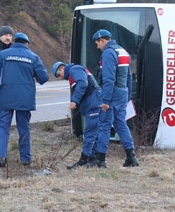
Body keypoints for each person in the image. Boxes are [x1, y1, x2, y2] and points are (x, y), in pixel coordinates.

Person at [0, 32, 49, 167]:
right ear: (26, 44)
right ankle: (25, 158)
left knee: (3, 127)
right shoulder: (33, 57)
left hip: (6, 96)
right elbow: (43, 78)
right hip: (25, 98)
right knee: (23, 127)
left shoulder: (3, 55)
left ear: (14, 42)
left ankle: (1, 157)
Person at [88, 29, 139, 168]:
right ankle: (131, 157)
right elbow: (129, 76)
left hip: (112, 94)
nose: (98, 47)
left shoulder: (108, 53)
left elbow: (108, 79)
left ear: (102, 40)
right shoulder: (122, 51)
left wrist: (105, 101)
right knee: (121, 124)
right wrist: (127, 95)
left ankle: (101, 160)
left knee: (104, 125)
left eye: (97, 43)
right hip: (122, 92)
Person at [52, 61, 101, 169]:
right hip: (93, 102)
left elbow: (82, 84)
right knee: (93, 132)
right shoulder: (75, 71)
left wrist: (74, 100)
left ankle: (85, 159)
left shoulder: (74, 70)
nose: (60, 77)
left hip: (93, 103)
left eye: (59, 74)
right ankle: (93, 158)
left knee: (90, 132)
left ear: (61, 68)